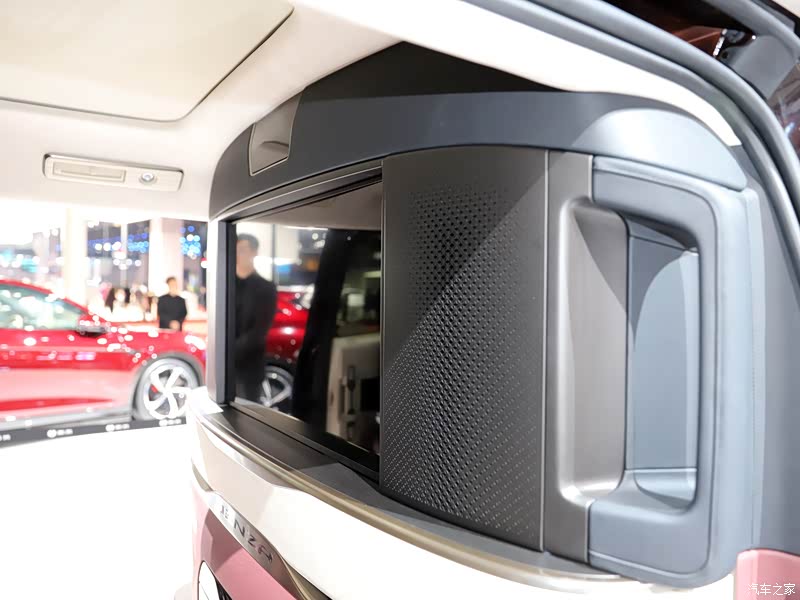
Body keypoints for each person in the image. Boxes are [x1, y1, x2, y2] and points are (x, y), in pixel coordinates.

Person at [234, 233, 278, 402]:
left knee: (247, 411)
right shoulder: (225, 285)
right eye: (236, 250)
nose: (238, 254)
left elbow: (260, 330)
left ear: (254, 252)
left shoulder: (266, 288)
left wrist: (230, 351)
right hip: (225, 366)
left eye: (242, 249)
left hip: (250, 365)